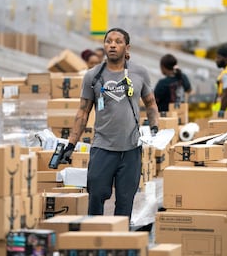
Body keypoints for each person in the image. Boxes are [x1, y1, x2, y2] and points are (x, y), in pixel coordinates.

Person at [63, 27, 159, 219]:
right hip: (102, 148)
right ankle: (95, 239)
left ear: (127, 47)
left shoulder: (139, 73)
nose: (112, 45)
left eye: (118, 41)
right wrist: (71, 144)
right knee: (96, 196)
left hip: (131, 150)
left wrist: (155, 128)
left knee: (125, 203)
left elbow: (151, 104)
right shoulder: (93, 75)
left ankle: (119, 243)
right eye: (108, 41)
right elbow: (83, 112)